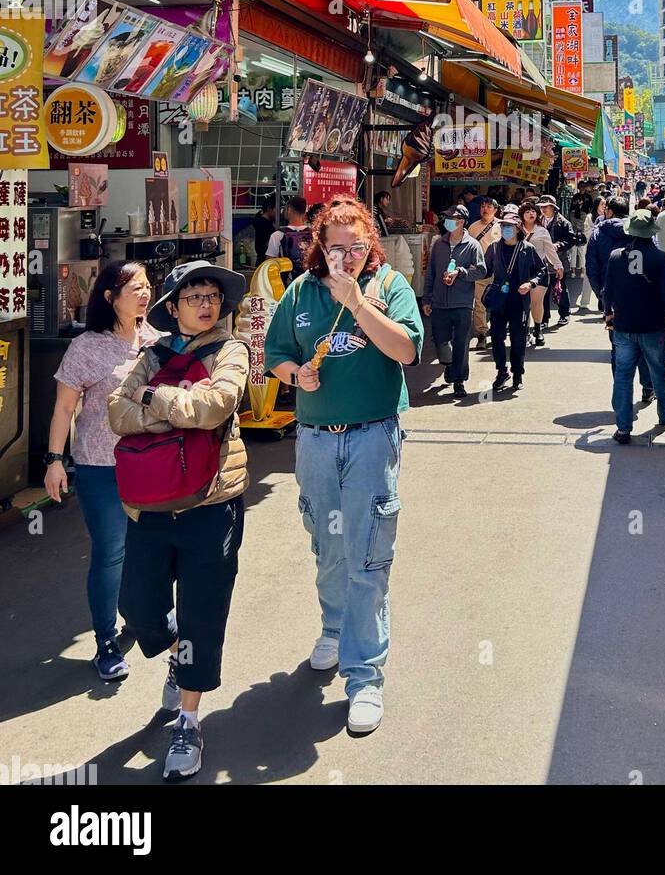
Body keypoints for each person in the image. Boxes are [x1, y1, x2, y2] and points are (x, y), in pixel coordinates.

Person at [265, 196, 423, 738]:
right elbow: (277, 352)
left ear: (369, 245)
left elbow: (405, 352)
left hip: (372, 435)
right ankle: (333, 626)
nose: (347, 257)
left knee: (369, 552)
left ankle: (365, 676)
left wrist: (358, 304)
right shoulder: (301, 293)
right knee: (326, 544)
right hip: (314, 439)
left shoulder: (388, 288)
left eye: (357, 247)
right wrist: (294, 376)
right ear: (319, 247)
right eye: (337, 248)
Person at [107, 261, 249, 781]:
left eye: (212, 295)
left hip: (210, 505)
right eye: (194, 296)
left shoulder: (232, 349)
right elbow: (115, 412)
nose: (206, 304)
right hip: (148, 505)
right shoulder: (153, 354)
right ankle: (174, 653)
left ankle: (188, 719)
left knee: (202, 614)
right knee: (138, 607)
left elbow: (214, 407)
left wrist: (152, 399)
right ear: (173, 308)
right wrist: (171, 404)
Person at [46, 262, 156, 682]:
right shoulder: (87, 347)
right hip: (100, 466)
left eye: (147, 287)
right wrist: (55, 461)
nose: (144, 295)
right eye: (134, 289)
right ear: (110, 297)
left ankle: (139, 618)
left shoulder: (156, 342)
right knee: (111, 552)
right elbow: (64, 408)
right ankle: (106, 642)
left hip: (150, 465)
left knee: (146, 548)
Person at [603, 210, 665, 444]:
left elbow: (608, 290)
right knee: (659, 371)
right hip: (653, 325)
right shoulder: (660, 257)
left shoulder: (616, 256)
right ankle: (664, 414)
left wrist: (608, 314)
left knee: (623, 375)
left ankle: (623, 427)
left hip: (624, 325)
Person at [422, 204, 486, 396]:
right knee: (441, 340)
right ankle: (448, 364)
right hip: (440, 302)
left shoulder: (472, 245)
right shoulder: (439, 244)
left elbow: (482, 270)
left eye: (453, 218)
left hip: (463, 303)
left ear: (462, 221)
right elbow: (430, 274)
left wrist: (461, 272)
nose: (449, 221)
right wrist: (427, 299)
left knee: (461, 343)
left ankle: (459, 380)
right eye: (448, 217)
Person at [484, 205, 546, 394]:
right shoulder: (494, 248)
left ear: (518, 228)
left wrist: (531, 284)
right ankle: (501, 371)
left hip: (519, 302)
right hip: (498, 302)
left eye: (509, 226)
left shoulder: (527, 249)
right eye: (503, 227)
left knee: (518, 340)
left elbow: (541, 271)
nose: (505, 230)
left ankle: (517, 373)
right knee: (496, 337)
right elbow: (484, 270)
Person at [518, 200, 561, 346]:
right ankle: (524, 331)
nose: (531, 213)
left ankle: (538, 329)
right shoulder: (516, 229)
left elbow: (550, 250)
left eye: (533, 211)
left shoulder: (542, 231)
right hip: (520, 270)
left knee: (536, 303)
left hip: (539, 271)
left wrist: (557, 265)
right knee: (523, 303)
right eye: (527, 211)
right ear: (521, 215)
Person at [468, 196, 501, 351]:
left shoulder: (502, 226)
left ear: (495, 210)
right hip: (480, 271)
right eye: (483, 206)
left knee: (499, 302)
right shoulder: (473, 227)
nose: (485, 209)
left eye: (489, 206)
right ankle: (481, 333)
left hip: (499, 271)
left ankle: (497, 331)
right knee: (479, 303)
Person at [539, 195, 576, 326]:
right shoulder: (538, 221)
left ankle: (564, 313)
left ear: (553, 208)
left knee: (559, 288)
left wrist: (559, 245)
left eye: (546, 207)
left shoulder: (563, 222)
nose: (543, 209)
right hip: (542, 262)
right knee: (542, 291)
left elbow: (571, 240)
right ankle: (544, 318)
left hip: (559, 260)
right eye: (541, 207)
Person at [266, 194, 314, 278]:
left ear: (289, 210)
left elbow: (269, 265)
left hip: (286, 285)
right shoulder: (314, 235)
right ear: (304, 212)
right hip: (309, 283)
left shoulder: (277, 236)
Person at [252, 195, 277, 264]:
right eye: (276, 209)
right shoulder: (264, 225)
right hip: (265, 262)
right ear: (269, 208)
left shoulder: (260, 221)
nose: (278, 212)